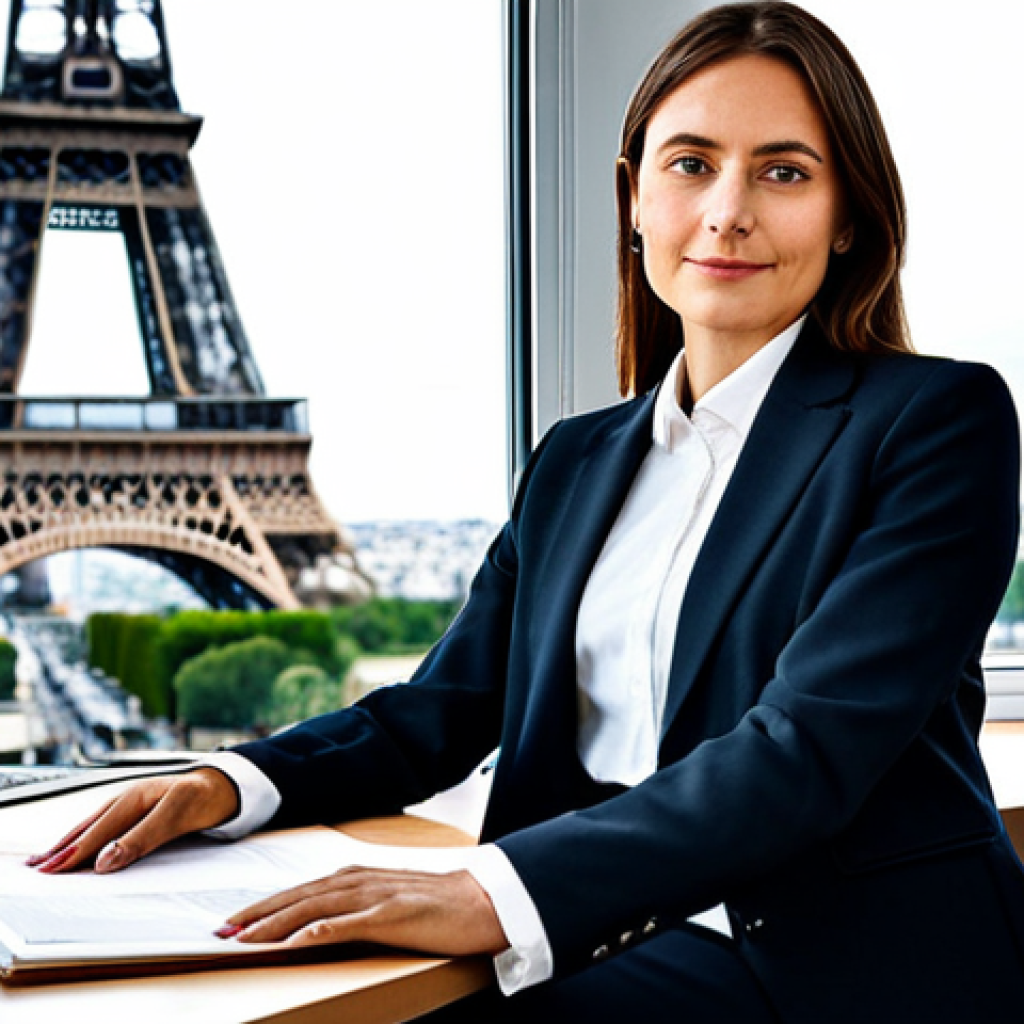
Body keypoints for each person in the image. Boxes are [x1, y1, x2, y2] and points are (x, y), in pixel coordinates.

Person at [28, 3, 1024, 1020]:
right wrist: (233, 784)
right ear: (633, 199)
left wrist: (489, 893)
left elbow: (802, 751)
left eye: (784, 172)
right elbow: (440, 710)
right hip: (600, 926)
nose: (728, 211)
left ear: (848, 215)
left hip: (834, 966)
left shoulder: (937, 422)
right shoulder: (575, 460)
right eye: (690, 164)